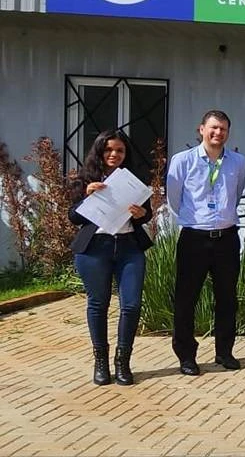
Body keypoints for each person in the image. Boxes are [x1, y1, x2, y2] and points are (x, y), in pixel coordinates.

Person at [68, 130, 154, 385]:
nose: (114, 154)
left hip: (129, 247)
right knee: (98, 304)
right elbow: (73, 217)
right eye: (108, 150)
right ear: (99, 152)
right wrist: (87, 196)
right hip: (95, 248)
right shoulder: (85, 178)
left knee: (131, 305)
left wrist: (141, 214)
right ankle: (101, 363)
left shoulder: (133, 179)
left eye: (119, 150)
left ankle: (122, 362)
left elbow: (147, 214)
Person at [167, 110, 245, 376]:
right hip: (194, 238)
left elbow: (236, 195)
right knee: (186, 299)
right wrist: (195, 219)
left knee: (227, 298)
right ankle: (186, 355)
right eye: (213, 127)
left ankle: (224, 351)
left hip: (226, 238)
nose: (218, 133)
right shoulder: (183, 161)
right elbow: (174, 198)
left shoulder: (238, 162)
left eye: (223, 129)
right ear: (201, 129)